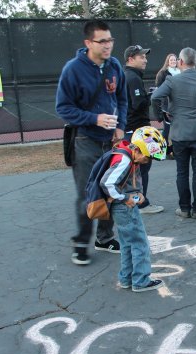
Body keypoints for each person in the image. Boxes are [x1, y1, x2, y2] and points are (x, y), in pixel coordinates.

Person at [56, 20, 127, 265]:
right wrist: (94, 118)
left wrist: (120, 126)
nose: (108, 45)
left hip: (111, 141)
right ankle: (81, 243)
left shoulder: (114, 66)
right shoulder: (73, 69)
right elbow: (63, 108)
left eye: (110, 40)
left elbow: (122, 99)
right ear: (88, 43)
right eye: (102, 41)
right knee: (88, 194)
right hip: (85, 140)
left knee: (110, 189)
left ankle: (104, 238)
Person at [151, 47, 196, 219]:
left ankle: (185, 208)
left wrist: (166, 112)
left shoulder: (172, 81)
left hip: (179, 132)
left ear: (180, 62)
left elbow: (155, 96)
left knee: (182, 172)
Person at [100, 138, 165, 292]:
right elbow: (107, 183)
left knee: (127, 244)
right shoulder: (125, 160)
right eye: (146, 157)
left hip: (121, 207)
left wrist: (138, 193)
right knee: (140, 243)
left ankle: (126, 278)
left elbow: (131, 180)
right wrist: (125, 198)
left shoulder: (128, 155)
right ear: (137, 150)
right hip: (124, 207)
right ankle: (141, 281)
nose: (146, 161)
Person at [123, 44, 164, 215]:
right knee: (142, 166)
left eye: (145, 56)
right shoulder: (132, 77)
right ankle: (141, 203)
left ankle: (134, 201)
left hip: (130, 128)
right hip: (136, 130)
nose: (145, 60)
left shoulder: (128, 75)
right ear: (131, 59)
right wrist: (151, 96)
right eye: (141, 57)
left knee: (135, 169)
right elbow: (138, 104)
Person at [155, 54, 180, 156]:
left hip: (178, 105)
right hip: (166, 106)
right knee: (167, 128)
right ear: (168, 62)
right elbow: (159, 89)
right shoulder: (163, 73)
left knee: (177, 129)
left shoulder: (181, 72)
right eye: (171, 60)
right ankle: (163, 150)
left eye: (175, 59)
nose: (173, 61)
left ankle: (176, 150)